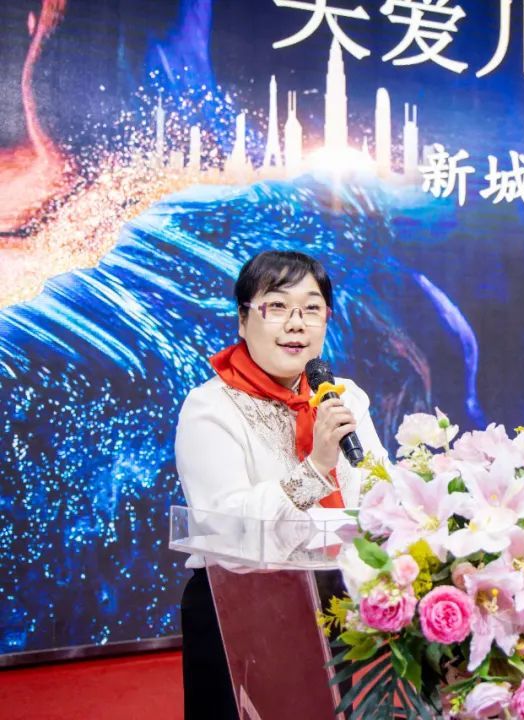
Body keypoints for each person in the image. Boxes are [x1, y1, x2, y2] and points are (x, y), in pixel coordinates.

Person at [174, 250, 386, 719]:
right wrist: (316, 468)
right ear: (243, 320)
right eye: (277, 307)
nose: (296, 324)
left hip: (333, 600)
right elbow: (226, 528)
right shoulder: (210, 408)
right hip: (241, 609)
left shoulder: (345, 397)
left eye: (311, 309)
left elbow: (378, 490)